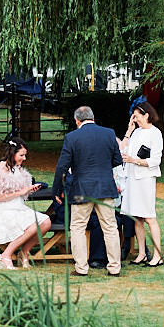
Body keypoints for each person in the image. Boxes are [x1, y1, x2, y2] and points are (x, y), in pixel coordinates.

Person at [51, 105, 124, 276]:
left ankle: (81, 268)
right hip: (105, 187)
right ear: (93, 118)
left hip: (81, 189)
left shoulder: (72, 137)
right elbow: (117, 160)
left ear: (77, 120)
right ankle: (114, 267)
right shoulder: (109, 133)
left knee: (78, 227)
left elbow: (62, 166)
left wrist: (57, 189)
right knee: (110, 227)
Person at [0, 138, 53, 269]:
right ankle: (5, 255)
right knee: (33, 226)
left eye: (25, 155)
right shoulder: (0, 168)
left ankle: (24, 253)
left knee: (46, 222)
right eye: (21, 155)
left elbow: (19, 191)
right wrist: (21, 191)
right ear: (12, 153)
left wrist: (29, 189)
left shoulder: (18, 169)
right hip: (2, 210)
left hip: (18, 208)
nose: (24, 158)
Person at [120, 100, 164, 266]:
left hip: (145, 180)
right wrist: (129, 131)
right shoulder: (136, 132)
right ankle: (142, 254)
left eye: (137, 116)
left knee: (149, 217)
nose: (135, 119)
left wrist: (135, 161)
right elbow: (123, 149)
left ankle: (157, 255)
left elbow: (155, 160)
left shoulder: (155, 133)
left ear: (146, 115)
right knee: (136, 218)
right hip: (132, 179)